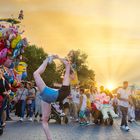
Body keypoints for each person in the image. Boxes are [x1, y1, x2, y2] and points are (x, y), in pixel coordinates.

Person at [33, 55, 73, 140]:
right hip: (48, 98)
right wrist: (58, 58)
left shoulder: (66, 83)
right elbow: (67, 66)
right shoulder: (66, 86)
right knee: (44, 121)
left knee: (36, 74)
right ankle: (49, 138)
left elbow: (68, 66)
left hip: (48, 95)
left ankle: (47, 59)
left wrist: (59, 58)